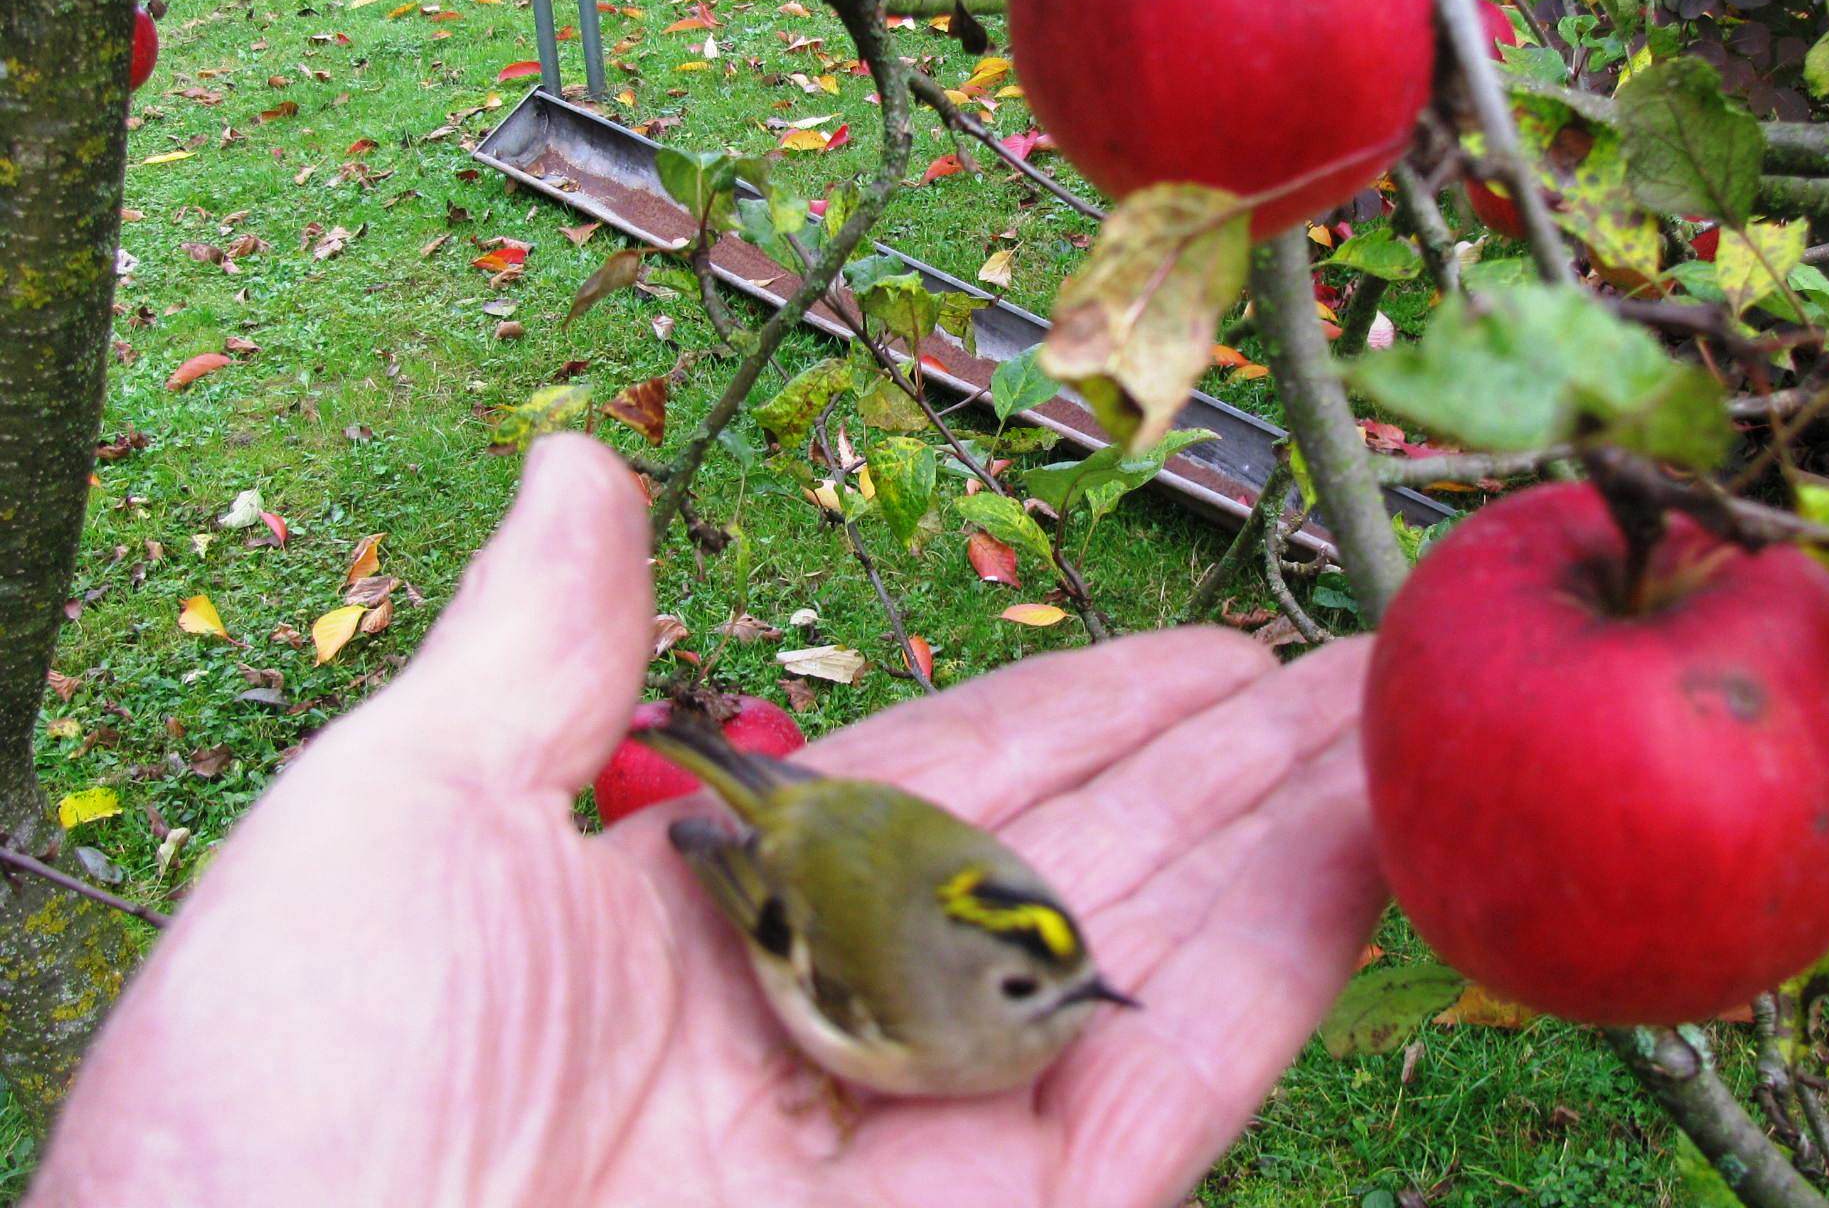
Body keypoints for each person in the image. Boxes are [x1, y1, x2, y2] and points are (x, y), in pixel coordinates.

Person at [29, 435, 1383, 1208]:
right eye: (1043, 983)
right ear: (977, 982)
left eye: (1063, 967)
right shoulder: (918, 1007)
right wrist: (745, 874)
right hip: (803, 857)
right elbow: (789, 913)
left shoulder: (990, 932)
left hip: (844, 826)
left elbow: (879, 831)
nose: (1077, 997)